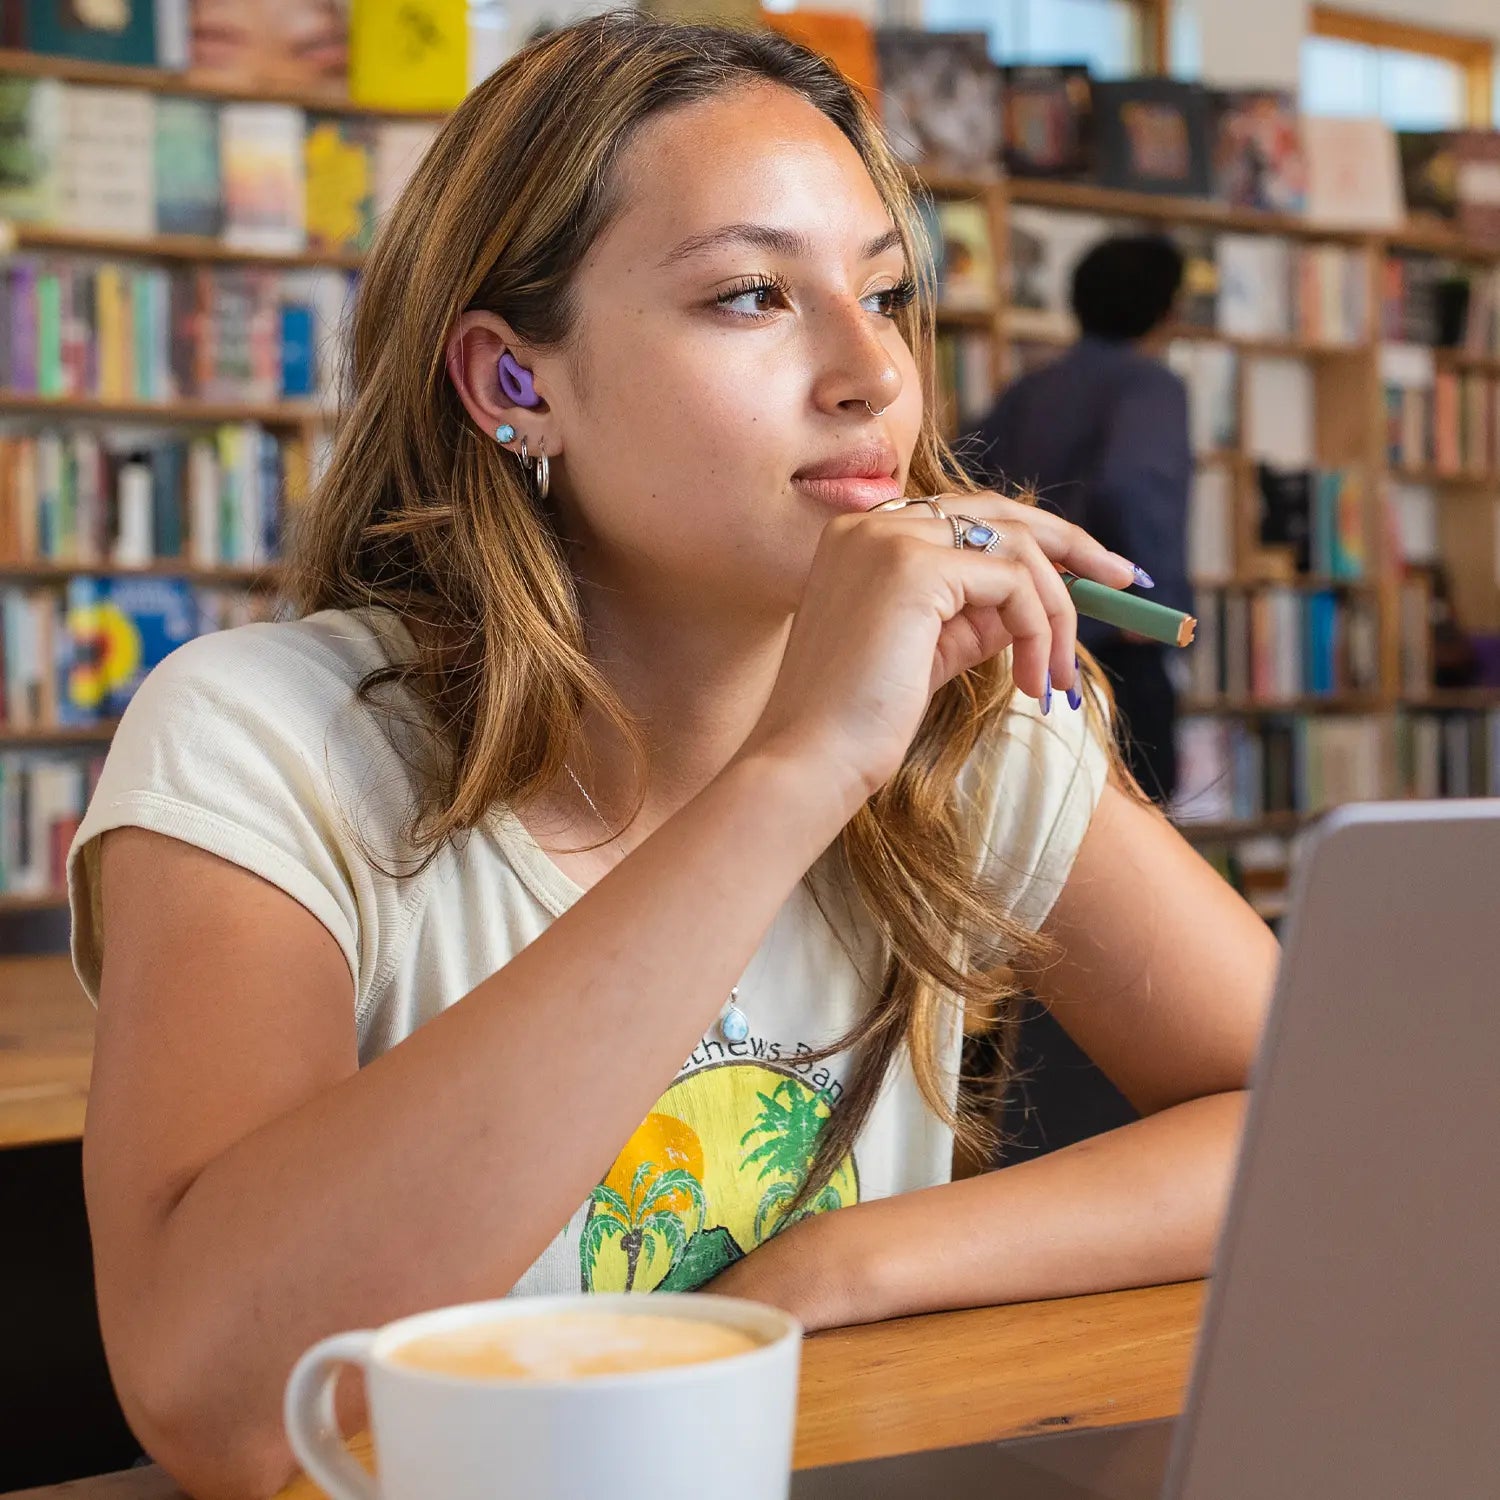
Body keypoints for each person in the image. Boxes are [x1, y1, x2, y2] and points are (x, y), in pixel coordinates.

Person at [68, 15, 1276, 1497]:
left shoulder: (964, 733)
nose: (870, 376)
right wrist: (795, 773)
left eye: (887, 294)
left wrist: (846, 1261)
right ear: (515, 384)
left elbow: (1326, 1128)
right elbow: (217, 1398)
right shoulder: (261, 734)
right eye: (754, 294)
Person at [964, 235, 1193, 802]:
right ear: (1167, 311)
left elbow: (964, 479)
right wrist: (1147, 604)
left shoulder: (1028, 390)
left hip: (1017, 646)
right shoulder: (1149, 385)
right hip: (1114, 645)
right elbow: (1132, 483)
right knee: (1138, 837)